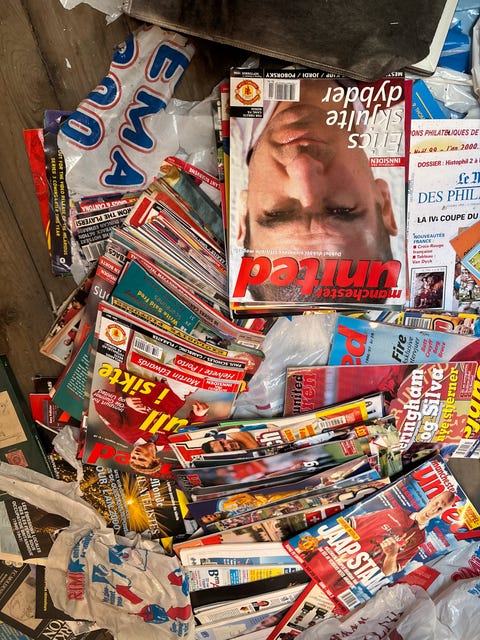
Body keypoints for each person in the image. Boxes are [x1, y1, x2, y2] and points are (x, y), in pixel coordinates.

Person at [234, 77, 403, 304]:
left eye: (277, 212)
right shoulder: (414, 94)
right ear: (385, 204)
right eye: (342, 209)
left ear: (243, 213)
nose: (302, 166)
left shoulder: (210, 102)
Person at [302, 490, 457, 587]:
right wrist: (317, 539)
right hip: (326, 558)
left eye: (440, 509)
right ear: (431, 499)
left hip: (344, 579)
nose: (434, 509)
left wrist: (391, 555)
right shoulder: (396, 512)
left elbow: (389, 571)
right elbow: (351, 524)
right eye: (436, 503)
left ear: (441, 513)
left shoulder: (420, 540)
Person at [93, 377, 209, 448]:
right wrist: (199, 416)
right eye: (142, 459)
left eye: (134, 458)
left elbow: (98, 397)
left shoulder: (126, 433)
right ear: (155, 460)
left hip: (141, 374)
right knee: (199, 363)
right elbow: (192, 434)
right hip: (176, 390)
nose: (137, 456)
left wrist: (124, 400)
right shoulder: (169, 444)